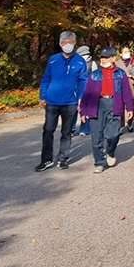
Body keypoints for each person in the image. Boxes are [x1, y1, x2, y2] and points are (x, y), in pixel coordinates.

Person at [37, 31, 89, 171]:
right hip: (52, 101)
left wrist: (81, 98)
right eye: (65, 42)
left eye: (70, 42)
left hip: (70, 102)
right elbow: (46, 78)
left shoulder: (80, 61)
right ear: (60, 44)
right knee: (48, 130)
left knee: (66, 132)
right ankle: (46, 160)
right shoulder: (53, 59)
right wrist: (43, 95)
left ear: (75, 43)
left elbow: (83, 81)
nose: (67, 45)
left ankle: (62, 158)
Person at [80, 47, 134, 173]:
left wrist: (130, 107)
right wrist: (83, 110)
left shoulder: (120, 74)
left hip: (114, 103)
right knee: (96, 136)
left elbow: (127, 92)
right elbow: (86, 93)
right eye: (102, 57)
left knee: (113, 134)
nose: (103, 60)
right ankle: (99, 162)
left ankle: (110, 151)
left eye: (106, 57)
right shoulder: (94, 75)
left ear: (113, 58)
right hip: (97, 105)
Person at [115, 45, 134, 132]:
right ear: (120, 54)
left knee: (132, 106)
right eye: (125, 52)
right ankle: (121, 125)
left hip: (132, 87)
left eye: (128, 51)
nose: (127, 53)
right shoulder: (117, 64)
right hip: (120, 87)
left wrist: (131, 76)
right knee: (120, 106)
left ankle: (130, 122)